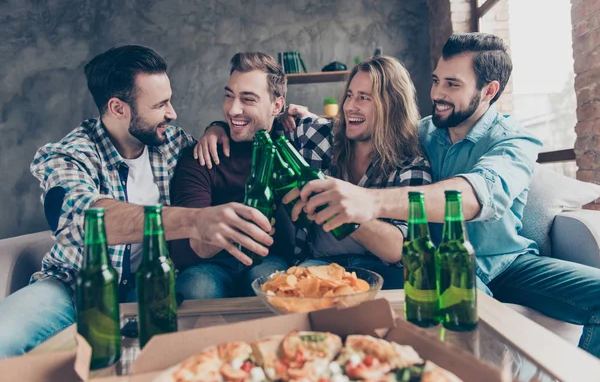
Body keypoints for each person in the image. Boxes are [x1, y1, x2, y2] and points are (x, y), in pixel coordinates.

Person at [286, 33, 600, 359]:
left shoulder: (516, 141)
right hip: (441, 266)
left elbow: (472, 196)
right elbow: (372, 127)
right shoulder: (421, 133)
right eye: (436, 80)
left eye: (452, 84)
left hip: (506, 263)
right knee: (465, 325)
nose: (436, 93)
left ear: (489, 90)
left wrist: (367, 201)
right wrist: (305, 119)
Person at [0, 45, 273, 358]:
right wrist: (194, 220)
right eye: (160, 104)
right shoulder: (69, 154)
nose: (172, 113)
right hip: (74, 288)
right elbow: (76, 216)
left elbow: (234, 134)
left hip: (154, 290)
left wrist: (219, 127)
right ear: (118, 108)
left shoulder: (171, 141)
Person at [198, 55, 432, 289]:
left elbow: (396, 249)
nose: (350, 106)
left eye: (364, 98)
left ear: (391, 105)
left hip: (382, 270)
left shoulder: (411, 164)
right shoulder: (315, 135)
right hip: (317, 264)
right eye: (349, 95)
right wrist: (217, 129)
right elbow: (257, 120)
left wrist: (341, 208)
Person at [169, 52, 296, 299]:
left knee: (273, 285)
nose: (233, 109)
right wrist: (230, 229)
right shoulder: (203, 155)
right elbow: (181, 248)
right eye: (229, 96)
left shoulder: (293, 144)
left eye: (247, 99)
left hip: (270, 259)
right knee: (196, 287)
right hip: (210, 265)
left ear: (277, 105)